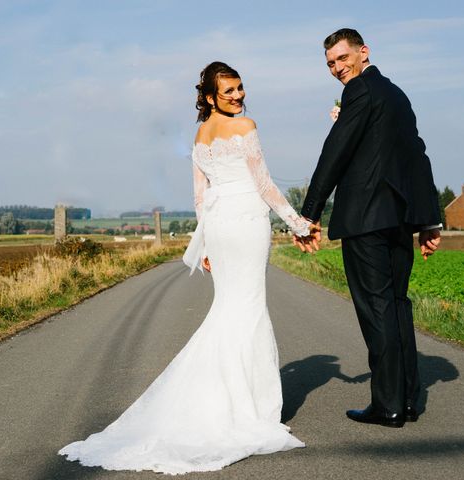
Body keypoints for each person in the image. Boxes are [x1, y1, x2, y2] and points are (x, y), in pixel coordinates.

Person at [58, 62, 319, 474]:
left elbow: (200, 197)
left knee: (228, 310)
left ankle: (225, 401)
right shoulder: (246, 126)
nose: (238, 95)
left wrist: (204, 244)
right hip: (247, 223)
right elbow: (265, 185)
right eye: (229, 90)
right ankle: (250, 411)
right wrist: (300, 225)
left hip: (219, 226)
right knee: (248, 310)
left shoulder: (200, 135)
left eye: (240, 87)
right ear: (211, 96)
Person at [299, 28, 442, 428]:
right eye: (330, 64)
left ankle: (387, 405)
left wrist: (309, 213)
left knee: (377, 311)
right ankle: (408, 401)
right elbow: (416, 156)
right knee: (396, 306)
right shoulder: (396, 95)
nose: (337, 69)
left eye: (343, 59)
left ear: (364, 52)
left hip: (365, 220)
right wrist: (429, 219)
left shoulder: (359, 91)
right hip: (398, 220)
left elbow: (335, 152)